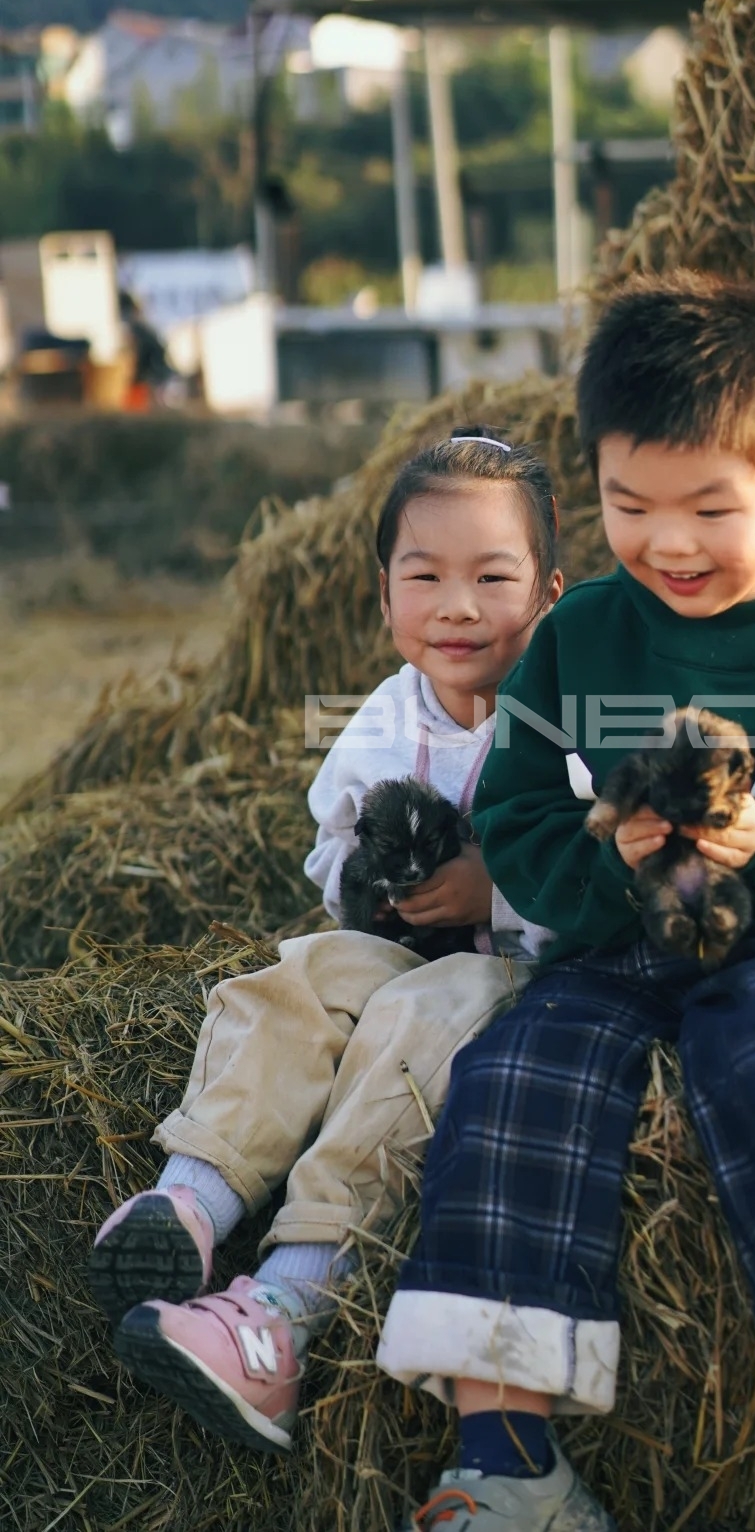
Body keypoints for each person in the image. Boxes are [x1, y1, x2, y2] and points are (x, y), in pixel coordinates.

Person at [374, 275, 755, 1532]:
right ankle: (505, 1460)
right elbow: (523, 815)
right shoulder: (583, 636)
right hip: (625, 931)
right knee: (515, 1069)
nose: (672, 544)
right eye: (629, 505)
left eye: (712, 506)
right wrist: (610, 859)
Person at [88, 430, 563, 1455]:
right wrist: (374, 882)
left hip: (518, 971)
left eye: (494, 576)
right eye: (424, 575)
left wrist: (497, 881)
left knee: (414, 1022)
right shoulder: (385, 720)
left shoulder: (570, 716)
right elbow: (331, 855)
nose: (458, 605)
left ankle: (290, 1305)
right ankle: (194, 1199)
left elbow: (601, 867)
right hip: (402, 945)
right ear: (384, 593)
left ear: (552, 592)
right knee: (301, 976)